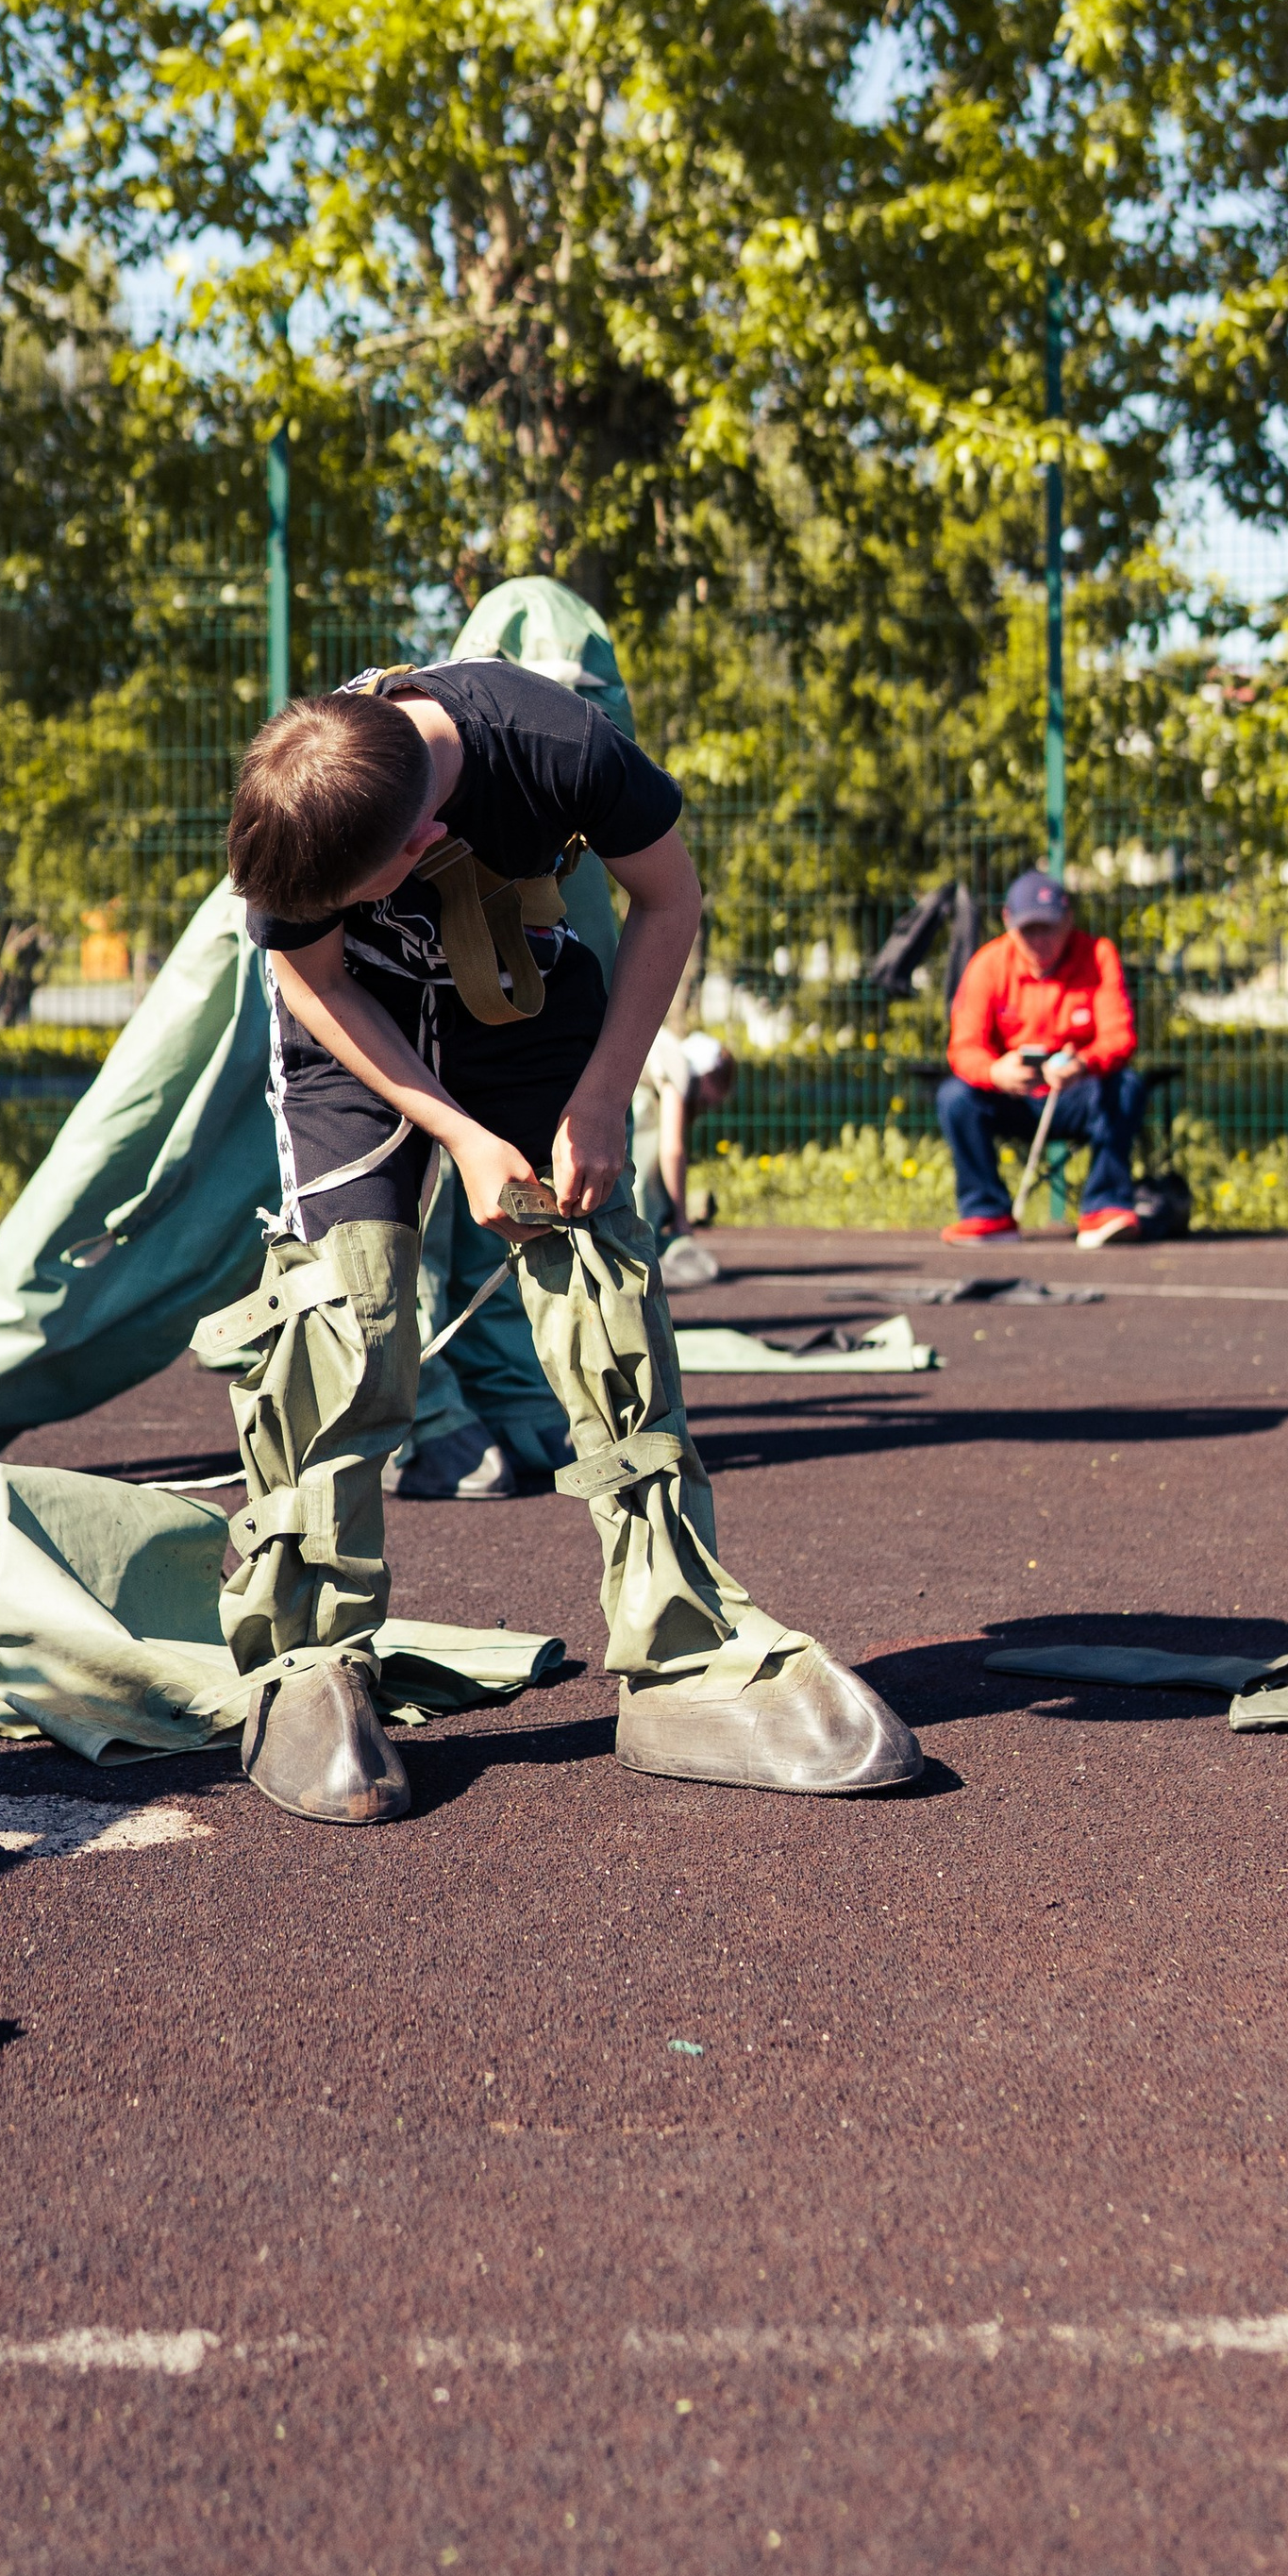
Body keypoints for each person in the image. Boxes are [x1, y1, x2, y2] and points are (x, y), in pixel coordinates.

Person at [211, 658, 921, 1825]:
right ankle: (307, 1653)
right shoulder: (304, 804)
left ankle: (679, 1643)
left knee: (602, 1299)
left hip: (522, 1005)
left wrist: (601, 1098)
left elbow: (672, 900)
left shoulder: (557, 746)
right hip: (362, 1030)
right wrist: (457, 1137)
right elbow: (312, 976)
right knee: (343, 1318)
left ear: (421, 840)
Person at [939, 870, 1145, 1247]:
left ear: (1068, 920)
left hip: (1076, 1094)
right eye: (1027, 930)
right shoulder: (988, 964)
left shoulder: (1098, 956)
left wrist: (1083, 1063)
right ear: (1007, 922)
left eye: (1048, 928)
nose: (1039, 941)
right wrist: (996, 1071)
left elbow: (1119, 1037)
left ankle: (1105, 1207)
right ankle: (986, 1212)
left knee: (1127, 1086)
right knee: (954, 1097)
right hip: (1012, 1098)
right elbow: (963, 1047)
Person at [633, 1024, 736, 1288]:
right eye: (709, 1100)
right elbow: (672, 1149)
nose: (707, 1105)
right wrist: (681, 1219)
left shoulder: (669, 1050)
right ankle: (638, 1250)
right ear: (709, 1076)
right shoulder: (677, 1066)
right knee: (648, 1135)